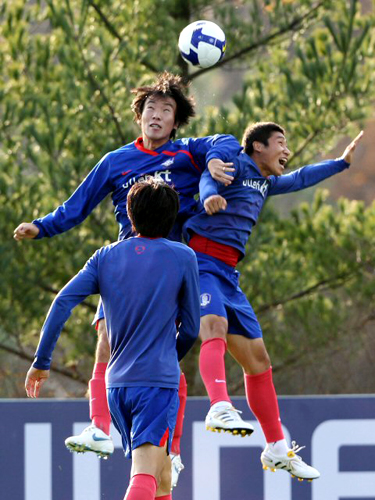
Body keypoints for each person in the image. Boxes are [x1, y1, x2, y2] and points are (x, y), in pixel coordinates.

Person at [14, 71, 241, 485]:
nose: (156, 115)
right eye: (150, 108)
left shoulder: (187, 154)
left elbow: (227, 141)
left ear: (176, 121)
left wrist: (210, 160)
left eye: (166, 110)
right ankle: (100, 429)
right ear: (139, 116)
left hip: (172, 272)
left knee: (171, 363)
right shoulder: (116, 162)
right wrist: (42, 227)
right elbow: (76, 206)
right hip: (128, 267)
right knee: (108, 343)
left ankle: (169, 447)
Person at [183, 122, 363, 481]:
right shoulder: (233, 162)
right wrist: (207, 196)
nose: (286, 150)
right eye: (280, 143)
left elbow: (300, 178)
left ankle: (277, 448)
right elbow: (208, 177)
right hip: (200, 262)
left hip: (229, 274)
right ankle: (219, 405)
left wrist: (340, 163)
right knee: (214, 327)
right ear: (257, 147)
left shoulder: (265, 182)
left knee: (259, 359)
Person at [25, 178, 201, 500]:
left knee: (162, 477)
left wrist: (41, 362)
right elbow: (191, 328)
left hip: (115, 386)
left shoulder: (105, 257)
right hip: (155, 384)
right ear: (172, 216)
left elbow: (63, 301)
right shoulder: (182, 256)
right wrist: (166, 357)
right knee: (145, 475)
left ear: (130, 215)